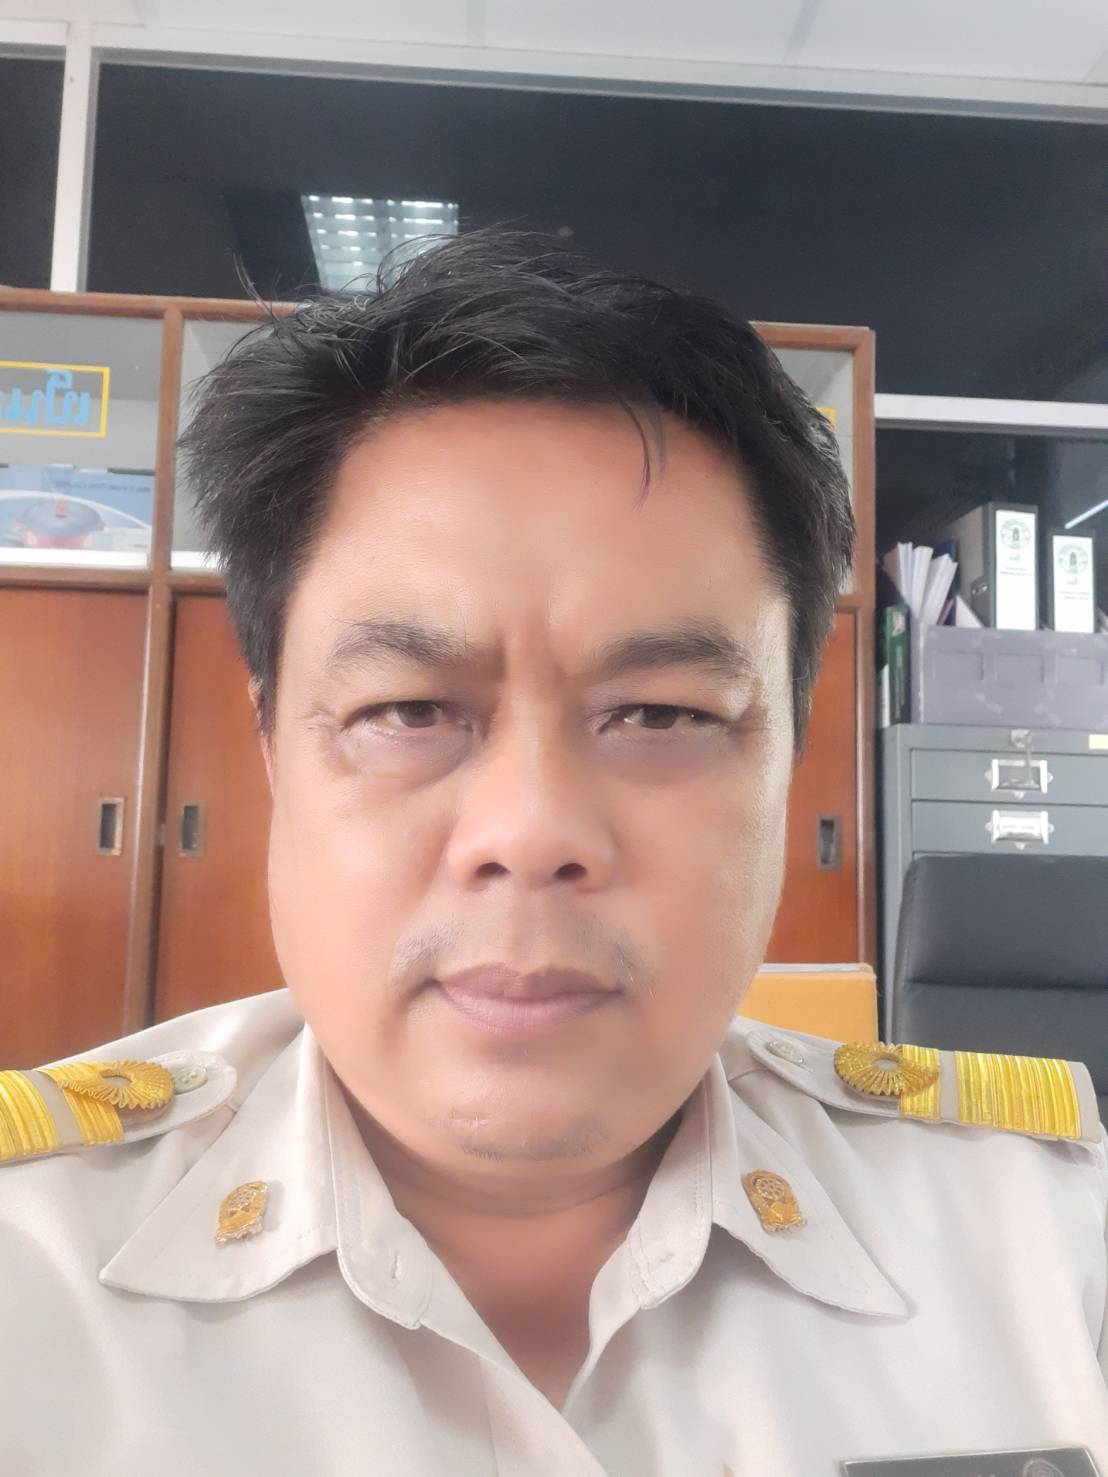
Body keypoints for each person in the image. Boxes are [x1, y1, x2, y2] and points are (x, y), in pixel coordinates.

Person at [2, 231, 1106, 1477]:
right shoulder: (29, 1273)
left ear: (792, 758)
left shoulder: (1051, 1251)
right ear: (271, 749)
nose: (528, 832)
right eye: (407, 710)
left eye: (661, 715)